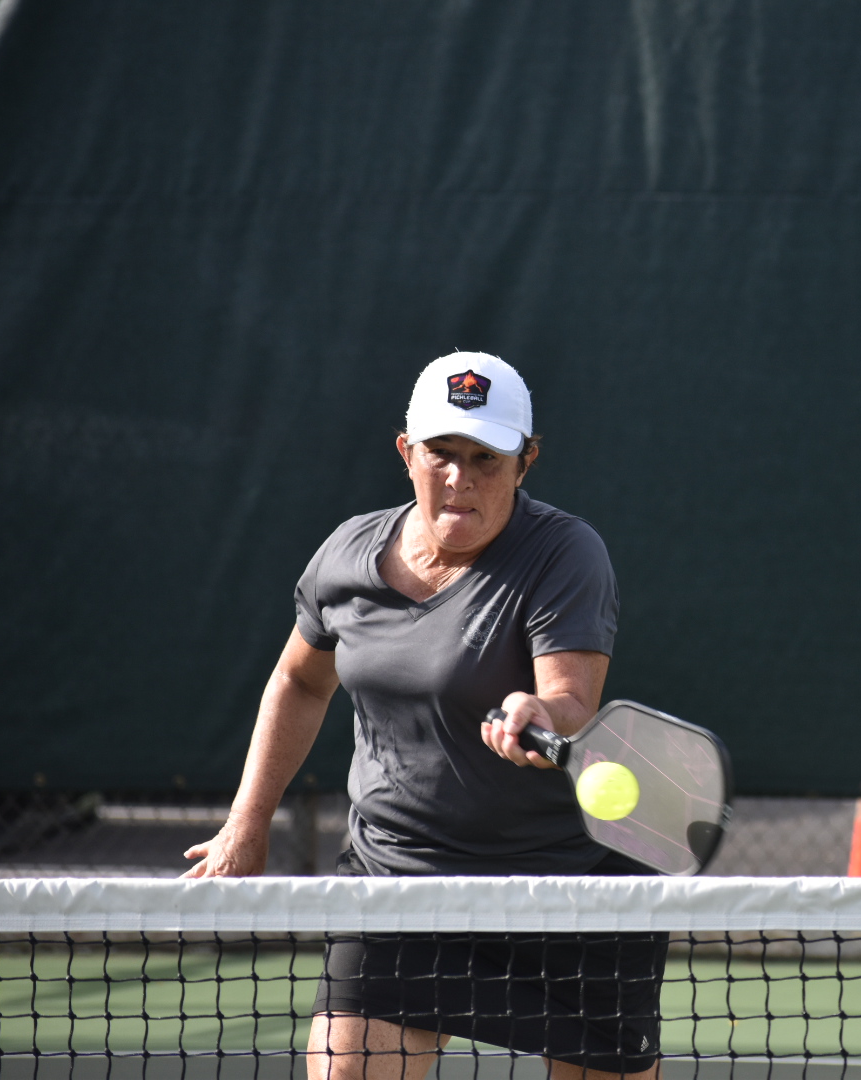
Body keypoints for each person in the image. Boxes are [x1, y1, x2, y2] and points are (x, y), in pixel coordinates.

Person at [182, 351, 663, 1080]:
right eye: (442, 453)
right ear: (407, 453)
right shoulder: (347, 555)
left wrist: (538, 711)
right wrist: (246, 825)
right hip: (399, 881)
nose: (460, 478)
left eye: (486, 458)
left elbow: (570, 705)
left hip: (565, 890)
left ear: (525, 463)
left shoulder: (566, 554)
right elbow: (299, 681)